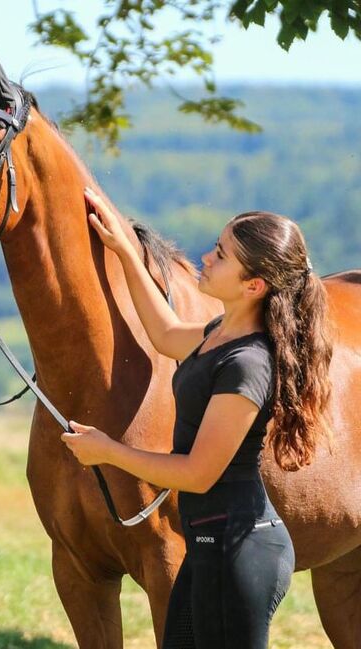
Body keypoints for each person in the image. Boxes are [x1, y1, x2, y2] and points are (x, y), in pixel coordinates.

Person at [61, 187, 334, 649]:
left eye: (222, 255)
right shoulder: (218, 336)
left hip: (240, 553)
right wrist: (127, 250)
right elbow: (166, 334)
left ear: (254, 286)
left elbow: (197, 474)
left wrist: (108, 452)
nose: (207, 256)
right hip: (208, 546)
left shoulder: (248, 362)